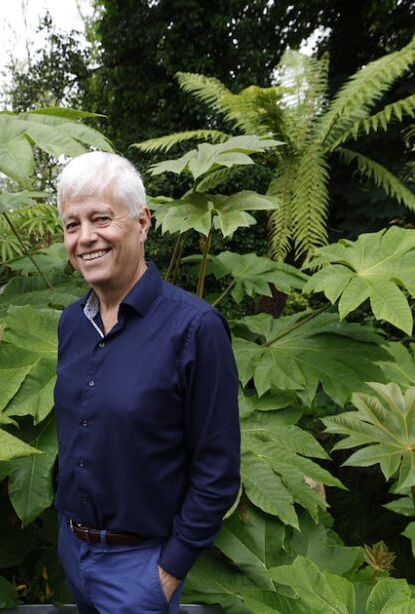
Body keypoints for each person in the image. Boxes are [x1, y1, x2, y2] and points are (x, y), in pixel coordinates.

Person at [53, 151, 241, 613]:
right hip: (74, 551)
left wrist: (168, 571)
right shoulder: (71, 324)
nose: (85, 238)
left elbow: (217, 469)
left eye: (101, 218)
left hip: (141, 569)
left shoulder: (195, 328)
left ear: (142, 222)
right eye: (71, 224)